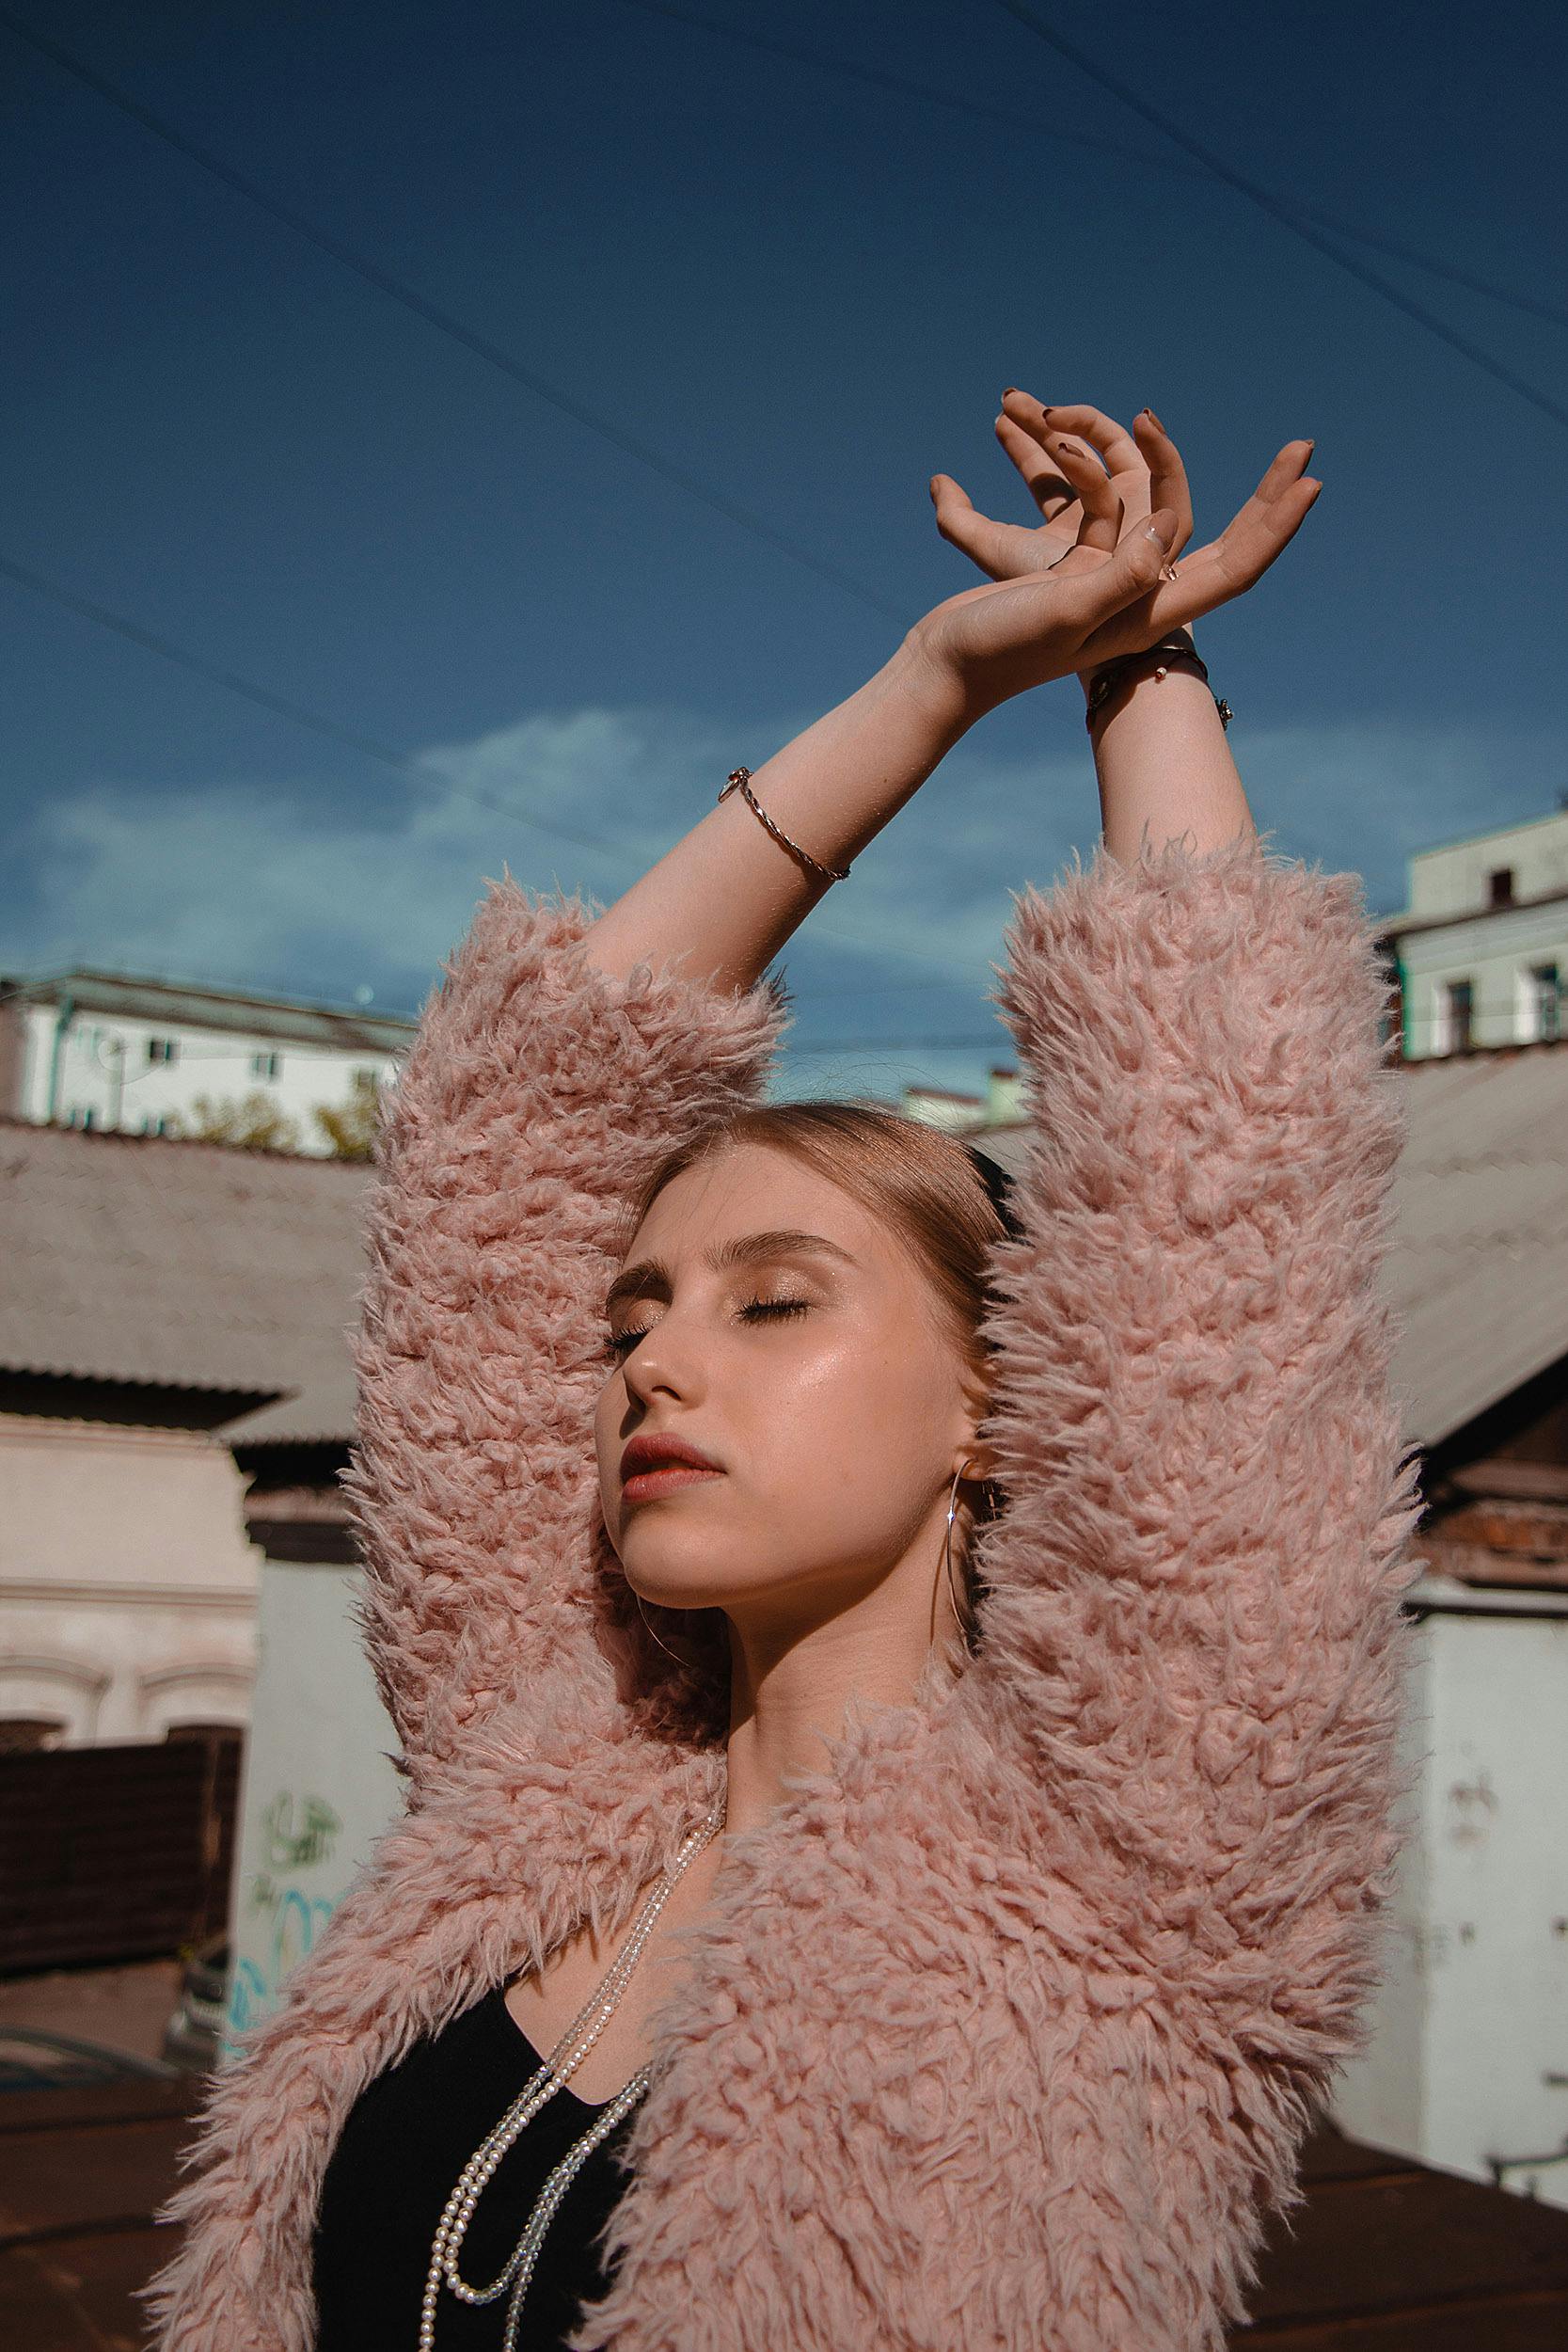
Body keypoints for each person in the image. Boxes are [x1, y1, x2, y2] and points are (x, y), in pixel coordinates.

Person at [145, 393, 1424, 2351]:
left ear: (1011, 1394)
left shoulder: (1129, 1880)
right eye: (634, 1310)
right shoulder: (545, 1762)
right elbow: (509, 1139)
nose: (652, 1359)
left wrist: (1130, 651)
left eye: (772, 1299)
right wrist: (924, 681)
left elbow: (1219, 1198)